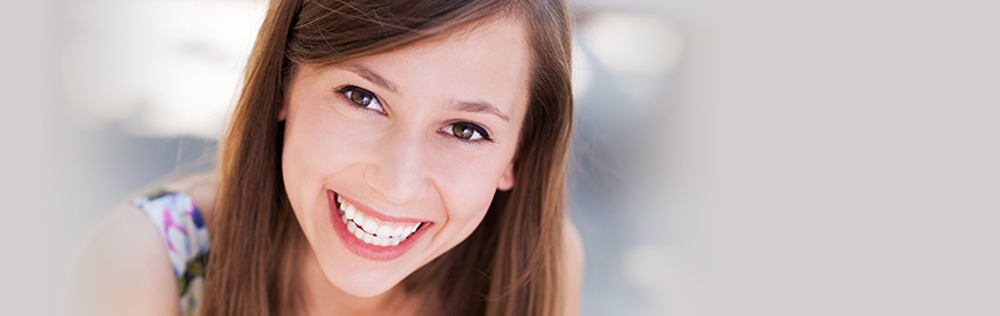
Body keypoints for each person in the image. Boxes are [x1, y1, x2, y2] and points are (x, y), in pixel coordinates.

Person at [72, 0, 583, 315]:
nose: (397, 183)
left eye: (466, 129)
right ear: (282, 87)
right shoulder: (146, 266)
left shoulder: (536, 264)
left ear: (519, 153)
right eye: (363, 97)